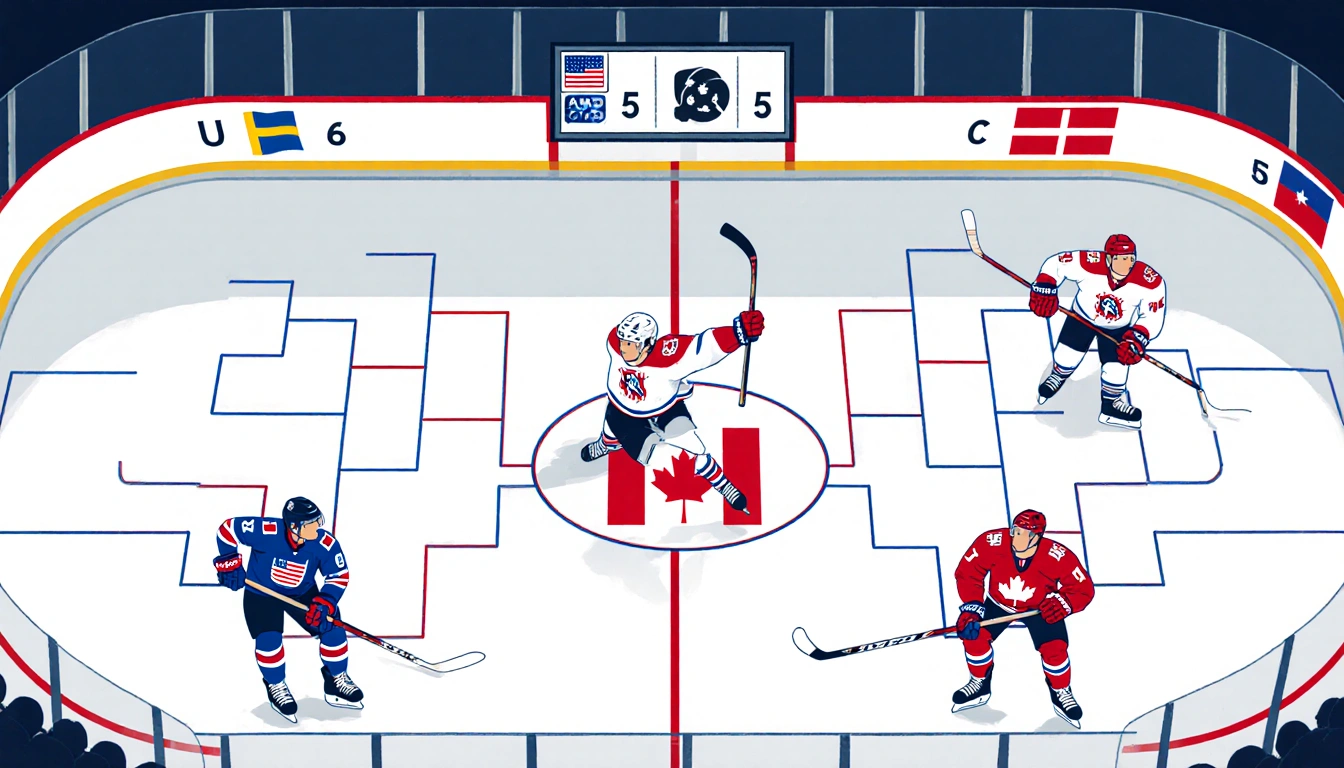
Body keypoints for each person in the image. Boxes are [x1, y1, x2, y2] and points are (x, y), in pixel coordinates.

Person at [581, 309, 765, 512]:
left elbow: (703, 347)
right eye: (623, 341)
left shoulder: (668, 358)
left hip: (666, 409)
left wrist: (738, 332)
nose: (624, 349)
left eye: (632, 344)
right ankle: (607, 445)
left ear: (648, 344)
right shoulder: (613, 344)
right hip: (623, 414)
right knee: (640, 448)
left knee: (695, 450)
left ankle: (722, 483)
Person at [213, 497, 361, 722]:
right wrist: (230, 563)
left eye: (318, 521)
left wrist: (325, 601)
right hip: (261, 594)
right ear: (294, 526)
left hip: (302, 593)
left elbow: (338, 574)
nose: (317, 527)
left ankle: (336, 679)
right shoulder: (267, 531)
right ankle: (276, 685)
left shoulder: (324, 543)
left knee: (331, 628)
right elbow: (227, 530)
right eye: (311, 524)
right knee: (269, 640)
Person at [950, 510, 1095, 728]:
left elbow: (1083, 588)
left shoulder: (1058, 556)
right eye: (1015, 531)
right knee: (973, 635)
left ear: (1037, 537)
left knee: (1055, 648)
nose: (1016, 538)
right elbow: (969, 571)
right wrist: (972, 606)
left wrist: (1063, 603)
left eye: (1024, 534)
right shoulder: (991, 542)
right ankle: (979, 682)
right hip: (998, 602)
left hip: (1040, 608)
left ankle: (1061, 690)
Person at [1029, 234, 1166, 429]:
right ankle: (1058, 375)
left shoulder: (1149, 281)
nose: (1127, 265)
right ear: (1108, 259)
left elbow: (1152, 316)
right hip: (1082, 319)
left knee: (1117, 368)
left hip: (1118, 329)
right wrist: (1046, 285)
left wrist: (1137, 338)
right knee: (1066, 356)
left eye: (1130, 259)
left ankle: (1111, 405)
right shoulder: (1090, 264)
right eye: (1121, 259)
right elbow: (1056, 264)